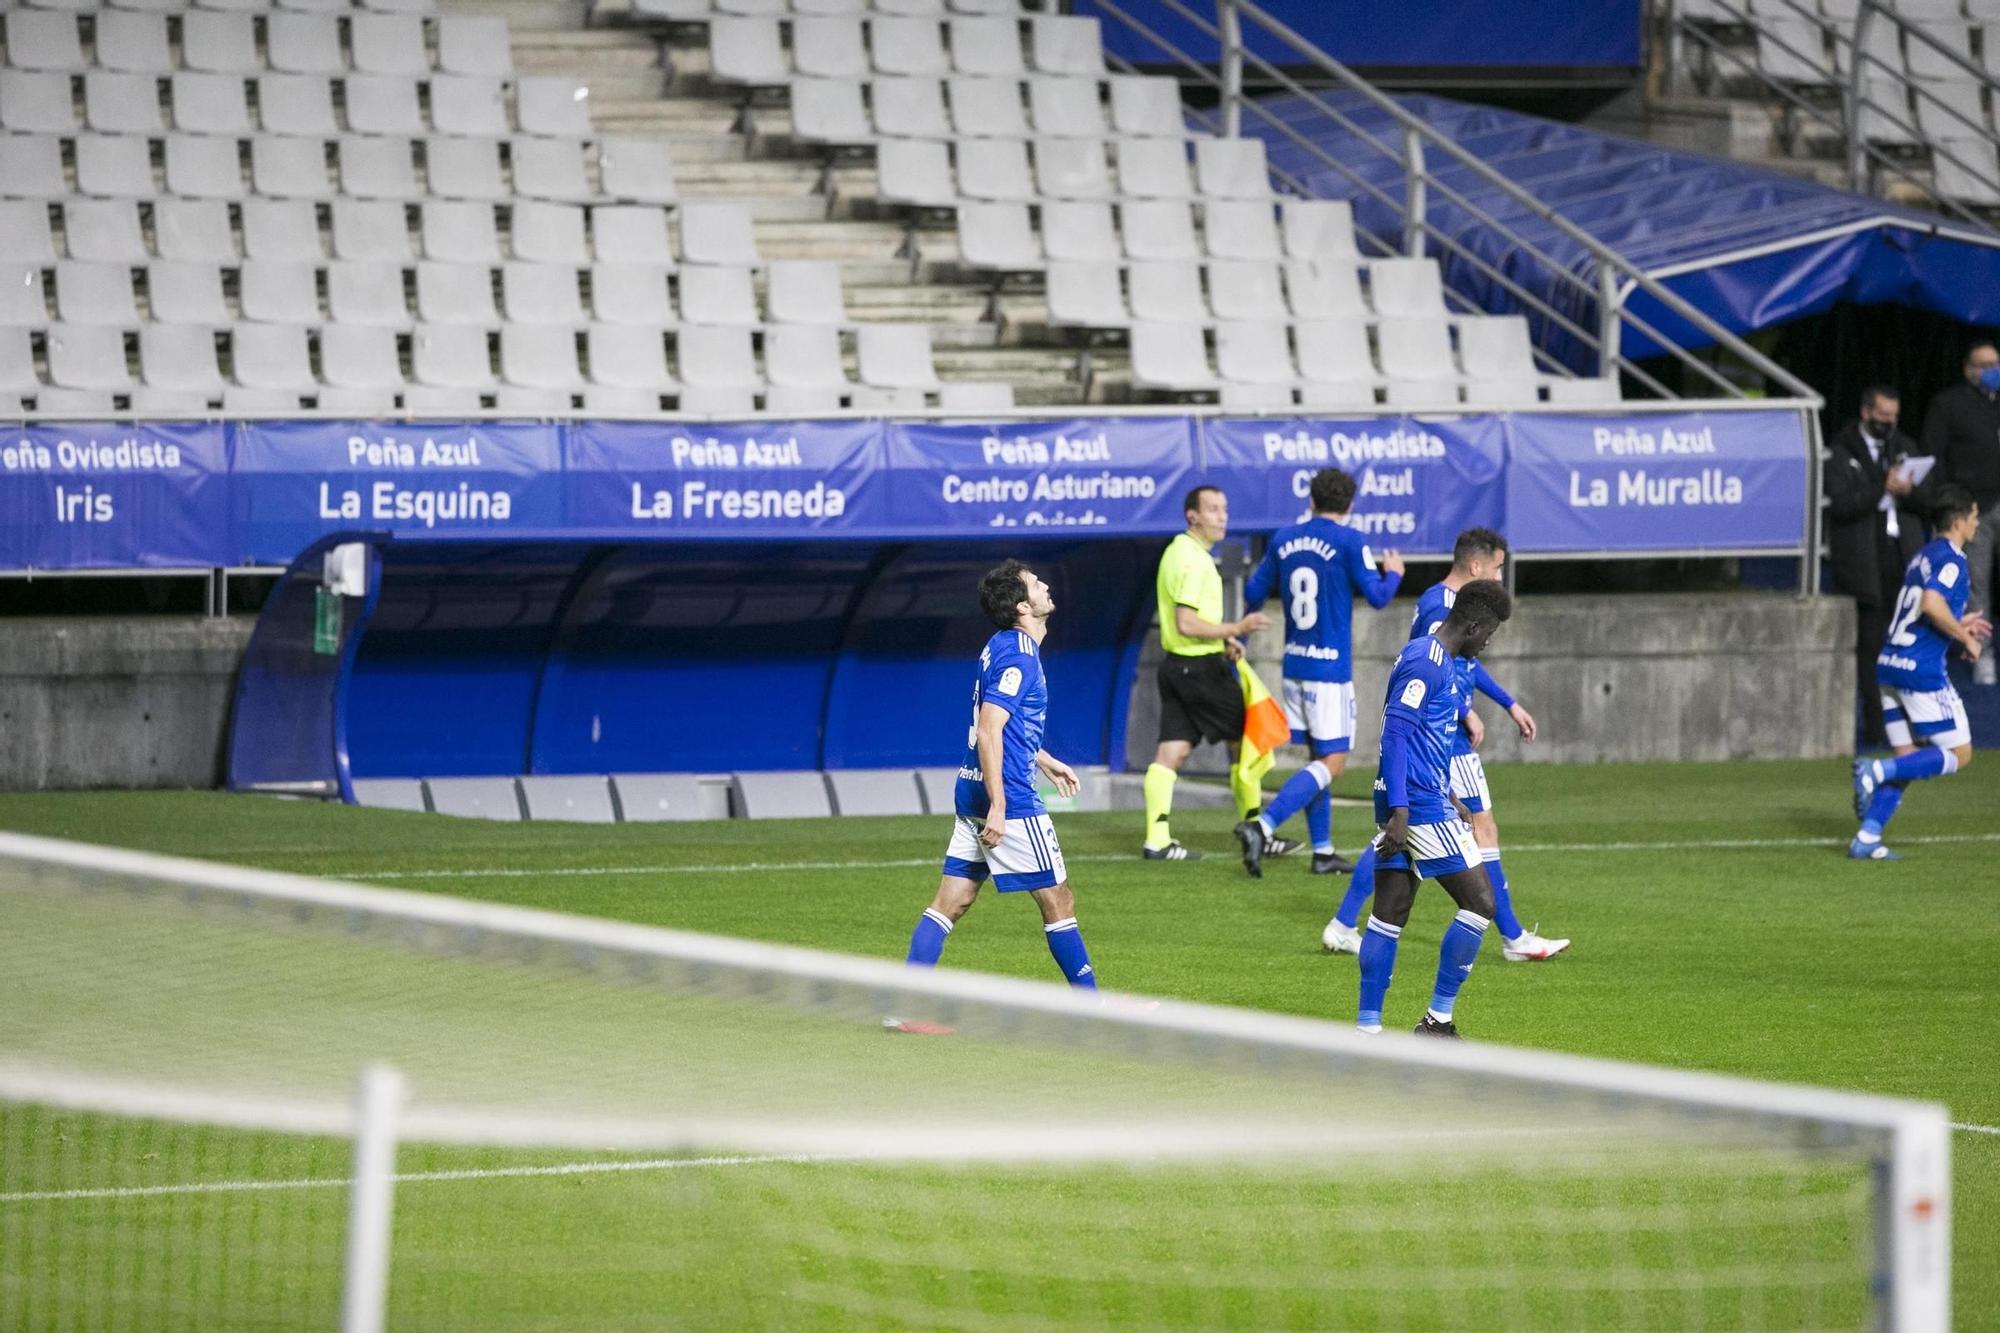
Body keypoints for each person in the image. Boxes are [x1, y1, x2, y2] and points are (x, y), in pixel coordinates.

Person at [1323, 529, 1568, 962]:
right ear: (1476, 567)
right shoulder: (1443, 610)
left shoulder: (1447, 605)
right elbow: (1434, 673)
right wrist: (1462, 710)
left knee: (1407, 831)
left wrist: (1506, 703)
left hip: (1443, 737)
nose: (1498, 576)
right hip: (1441, 741)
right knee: (1451, 826)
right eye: (1496, 568)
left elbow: (1463, 666)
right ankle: (1510, 937)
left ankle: (1345, 924)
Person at [893, 560, 1093, 1027]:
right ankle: (1092, 1006)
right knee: (1058, 901)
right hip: (1010, 799)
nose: (1045, 585)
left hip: (970, 791)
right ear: (1025, 606)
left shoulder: (1002, 644)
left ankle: (903, 1010)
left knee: (951, 902)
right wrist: (1001, 806)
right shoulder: (1022, 655)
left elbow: (1007, 724)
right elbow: (989, 729)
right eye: (1035, 584)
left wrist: (1044, 758)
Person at [1356, 579, 1516, 1039]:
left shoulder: (1431, 656)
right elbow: (1394, 735)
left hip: (1421, 797)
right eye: (1489, 633)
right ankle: (1437, 1020)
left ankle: (1368, 1030)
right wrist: (1404, 809)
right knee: (1480, 902)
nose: (1488, 643)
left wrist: (1449, 794)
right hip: (1416, 806)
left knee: (1391, 910)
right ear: (1473, 624)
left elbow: (1422, 739)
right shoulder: (1427, 665)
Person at [1232, 468, 1405, 878]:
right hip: (1329, 668)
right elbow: (1379, 597)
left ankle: (1323, 851)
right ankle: (1263, 825)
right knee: (1334, 761)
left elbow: (1254, 592)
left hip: (1294, 663)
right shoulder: (1349, 540)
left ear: (1310, 500)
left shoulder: (1284, 538)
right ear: (1349, 504)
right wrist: (1395, 571)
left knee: (1317, 758)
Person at [1851, 486, 1992, 860]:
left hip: (1889, 668)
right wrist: (1965, 637)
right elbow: (1930, 604)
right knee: (1959, 753)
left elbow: (1919, 611)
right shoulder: (1951, 559)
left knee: (1910, 757)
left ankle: (1868, 836)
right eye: (1974, 516)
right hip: (1920, 672)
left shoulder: (1923, 556)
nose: (1977, 523)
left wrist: (1959, 621)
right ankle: (1875, 771)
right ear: (1960, 521)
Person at [1142, 486, 1271, 861]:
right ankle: (1257, 828)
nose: (1222, 516)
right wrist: (1236, 628)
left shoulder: (1179, 552)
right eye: (1212, 509)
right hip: (1199, 670)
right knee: (1247, 740)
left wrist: (1223, 642)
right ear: (1192, 516)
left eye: (1224, 509)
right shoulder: (1191, 559)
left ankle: (1157, 839)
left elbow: (1188, 625)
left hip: (1177, 667)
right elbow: (1186, 622)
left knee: (1172, 752)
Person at [1826, 387, 1935, 746]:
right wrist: (1880, 487)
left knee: (1907, 647)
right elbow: (1840, 506)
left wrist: (1908, 491)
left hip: (1903, 556)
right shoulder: (1841, 452)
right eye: (1882, 415)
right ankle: (1878, 726)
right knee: (1872, 648)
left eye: (1893, 416)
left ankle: (1911, 726)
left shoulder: (1903, 446)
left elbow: (1929, 502)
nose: (1888, 423)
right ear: (1865, 412)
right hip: (1864, 561)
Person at [1918, 343, 2000, 685]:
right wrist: (1952, 506)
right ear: (1968, 369)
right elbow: (1931, 457)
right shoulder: (1949, 405)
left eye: (1996, 363)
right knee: (1976, 582)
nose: (1993, 370)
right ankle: (1981, 652)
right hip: (1973, 509)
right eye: (1984, 365)